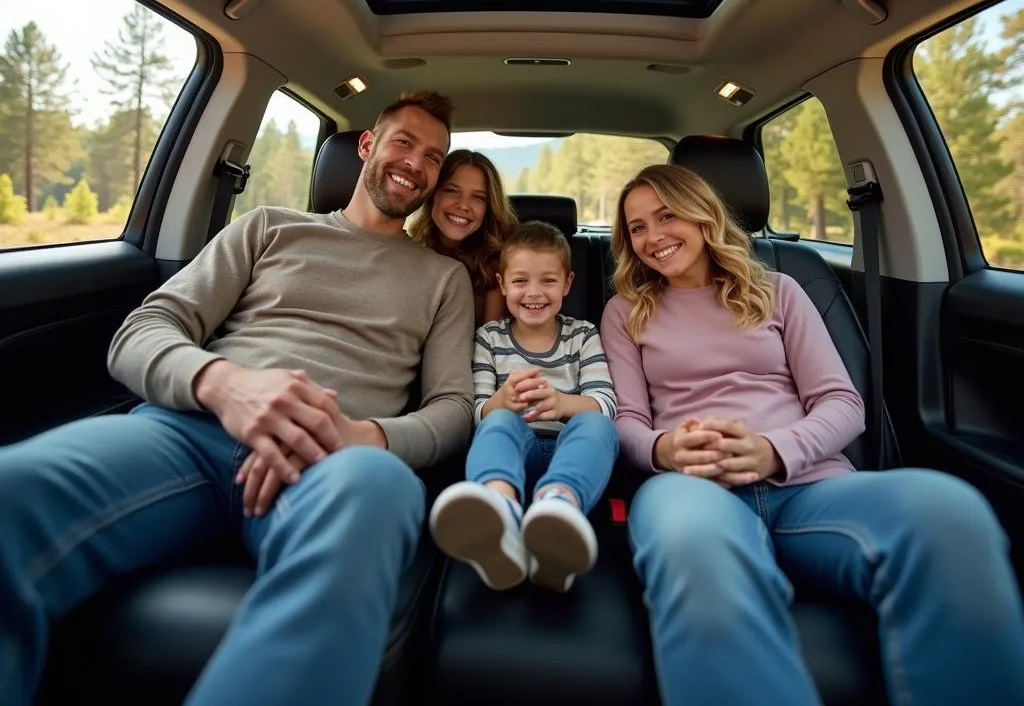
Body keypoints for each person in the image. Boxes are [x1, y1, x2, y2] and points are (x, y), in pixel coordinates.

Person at [0, 90, 476, 706]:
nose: (415, 163)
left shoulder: (443, 278)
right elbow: (142, 331)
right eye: (404, 142)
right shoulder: (268, 227)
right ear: (367, 145)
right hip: (186, 435)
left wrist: (367, 437)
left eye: (433, 157)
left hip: (327, 463)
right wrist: (227, 384)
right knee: (14, 489)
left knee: (381, 488)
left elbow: (455, 409)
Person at [600, 163, 1024, 706]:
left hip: (810, 488)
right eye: (637, 227)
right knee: (691, 541)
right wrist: (666, 448)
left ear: (703, 213)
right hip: (693, 487)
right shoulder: (627, 311)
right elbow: (627, 422)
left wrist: (773, 450)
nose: (653, 236)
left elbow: (843, 404)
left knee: (948, 510)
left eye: (667, 215)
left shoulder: (780, 288)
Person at [429, 220, 619, 593]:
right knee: (497, 421)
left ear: (567, 283)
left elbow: (606, 403)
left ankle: (559, 508)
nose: (534, 292)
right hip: (517, 455)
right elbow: (477, 410)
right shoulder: (489, 338)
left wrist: (561, 402)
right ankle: (499, 508)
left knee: (598, 426)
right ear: (502, 285)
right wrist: (504, 401)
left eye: (548, 281)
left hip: (573, 456)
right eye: (520, 281)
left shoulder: (583, 336)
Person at [409, 148, 517, 325]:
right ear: (432, 194)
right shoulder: (410, 252)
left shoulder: (495, 265)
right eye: (451, 190)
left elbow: (488, 343)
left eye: (478, 197)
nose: (463, 205)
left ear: (489, 208)